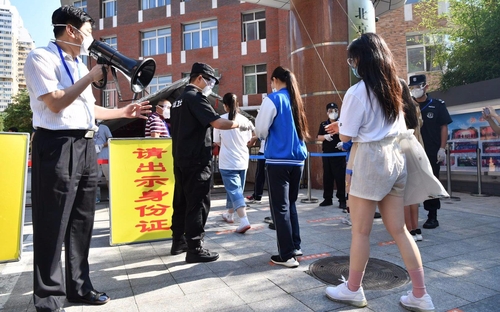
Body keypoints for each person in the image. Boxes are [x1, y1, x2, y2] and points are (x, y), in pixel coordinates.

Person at [24, 5, 151, 312]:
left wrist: (122, 112)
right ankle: (48, 297)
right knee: (52, 222)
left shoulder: (79, 65)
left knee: (83, 222)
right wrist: (89, 77)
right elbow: (55, 103)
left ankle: (79, 288)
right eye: (89, 31)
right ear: (71, 29)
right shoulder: (40, 57)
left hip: (85, 145)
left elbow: (87, 109)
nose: (92, 37)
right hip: (55, 145)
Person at [324, 33, 435, 312]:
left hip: (371, 159)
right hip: (395, 158)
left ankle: (352, 289)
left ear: (361, 59)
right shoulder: (395, 87)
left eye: (353, 59)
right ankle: (420, 294)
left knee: (361, 231)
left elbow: (348, 136)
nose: (352, 64)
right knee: (399, 229)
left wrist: (341, 129)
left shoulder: (357, 92)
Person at [169, 62, 252, 263]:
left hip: (180, 159)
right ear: (199, 78)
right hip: (197, 160)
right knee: (198, 203)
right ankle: (195, 247)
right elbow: (217, 122)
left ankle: (178, 241)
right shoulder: (195, 98)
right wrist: (239, 123)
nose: (211, 85)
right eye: (210, 81)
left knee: (181, 202)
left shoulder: (178, 99)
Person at [255, 66, 309, 268]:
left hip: (278, 159)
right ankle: (295, 246)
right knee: (290, 204)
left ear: (275, 79)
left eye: (271, 81)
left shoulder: (274, 98)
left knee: (280, 207)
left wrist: (261, 136)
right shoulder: (296, 100)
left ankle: (286, 255)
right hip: (298, 160)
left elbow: (261, 128)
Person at [409, 74, 452, 229]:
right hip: (412, 151)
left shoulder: (437, 104)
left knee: (430, 183)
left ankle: (432, 216)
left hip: (431, 150)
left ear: (426, 87)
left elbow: (443, 126)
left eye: (418, 87)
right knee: (411, 183)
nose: (415, 90)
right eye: (412, 87)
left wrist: (442, 148)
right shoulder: (407, 106)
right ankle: (411, 218)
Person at [214, 93, 254, 233]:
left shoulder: (219, 121)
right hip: (242, 160)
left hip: (227, 161)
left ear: (225, 105)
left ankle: (244, 220)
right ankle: (229, 214)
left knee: (234, 190)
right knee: (236, 190)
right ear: (237, 105)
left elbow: (217, 142)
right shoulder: (246, 120)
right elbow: (249, 141)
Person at [401, 79, 424, 242]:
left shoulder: (397, 108)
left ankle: (408, 230)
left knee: (403, 195)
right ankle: (416, 229)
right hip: (416, 150)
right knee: (414, 194)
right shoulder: (415, 107)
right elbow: (419, 126)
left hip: (401, 152)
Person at [317, 102, 347, 208]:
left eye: (335, 111)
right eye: (330, 111)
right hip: (327, 155)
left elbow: (348, 135)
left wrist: (344, 143)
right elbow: (318, 137)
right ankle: (327, 198)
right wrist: (325, 137)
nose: (333, 113)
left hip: (339, 155)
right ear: (327, 112)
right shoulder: (323, 124)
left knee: (340, 178)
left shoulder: (342, 123)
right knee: (327, 177)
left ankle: (342, 200)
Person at [94, 121, 112, 203]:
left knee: (109, 178)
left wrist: (101, 145)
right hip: (94, 158)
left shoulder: (104, 128)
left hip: (104, 157)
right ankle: (95, 197)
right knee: (94, 179)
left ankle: (111, 196)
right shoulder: (88, 128)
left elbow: (110, 140)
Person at [246, 138, 266, 204]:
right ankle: (256, 195)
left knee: (260, 174)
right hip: (275, 151)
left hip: (264, 150)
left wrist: (253, 139)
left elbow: (259, 133)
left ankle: (257, 196)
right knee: (260, 174)